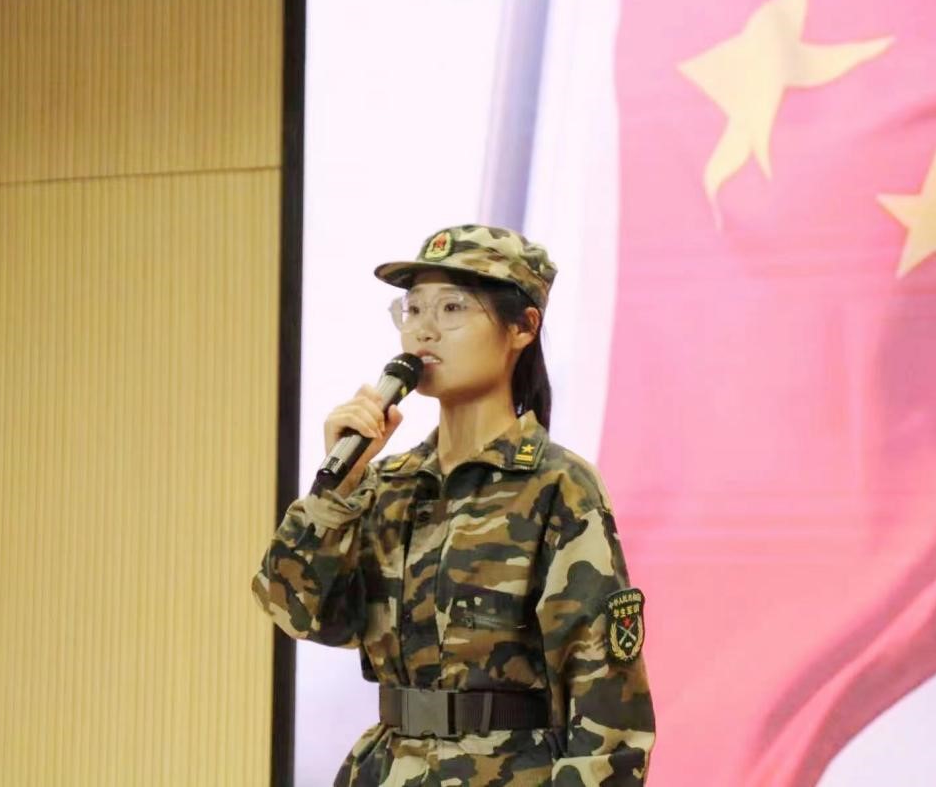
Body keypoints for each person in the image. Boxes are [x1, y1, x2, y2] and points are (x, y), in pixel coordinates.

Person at [252, 225, 654, 785]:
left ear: (523, 327)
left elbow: (607, 705)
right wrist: (336, 491)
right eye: (413, 309)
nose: (424, 329)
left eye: (452, 308)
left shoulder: (558, 485)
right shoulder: (387, 484)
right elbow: (296, 612)